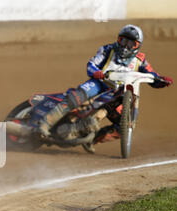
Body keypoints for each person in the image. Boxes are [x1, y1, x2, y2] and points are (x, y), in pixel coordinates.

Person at [35, 24, 173, 152]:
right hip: (100, 83)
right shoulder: (107, 49)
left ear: (137, 46)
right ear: (118, 40)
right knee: (77, 96)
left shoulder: (141, 60)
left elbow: (151, 76)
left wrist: (161, 81)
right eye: (123, 41)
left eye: (131, 43)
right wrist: (96, 72)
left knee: (123, 127)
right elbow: (91, 64)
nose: (125, 46)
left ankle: (91, 140)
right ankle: (45, 123)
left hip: (118, 94)